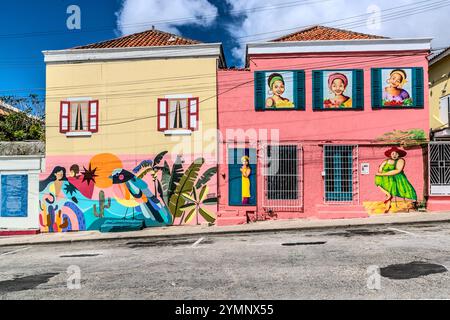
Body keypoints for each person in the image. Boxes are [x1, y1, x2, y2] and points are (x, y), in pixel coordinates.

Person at [375, 147, 417, 213]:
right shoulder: (386, 161)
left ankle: (413, 203)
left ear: (398, 155)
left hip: (398, 178)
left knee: (406, 189)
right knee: (379, 181)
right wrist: (381, 171)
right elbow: (380, 169)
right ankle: (388, 203)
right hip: (388, 178)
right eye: (393, 153)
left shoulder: (400, 160)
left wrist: (383, 174)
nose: (394, 155)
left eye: (396, 154)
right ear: (390, 155)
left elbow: (398, 170)